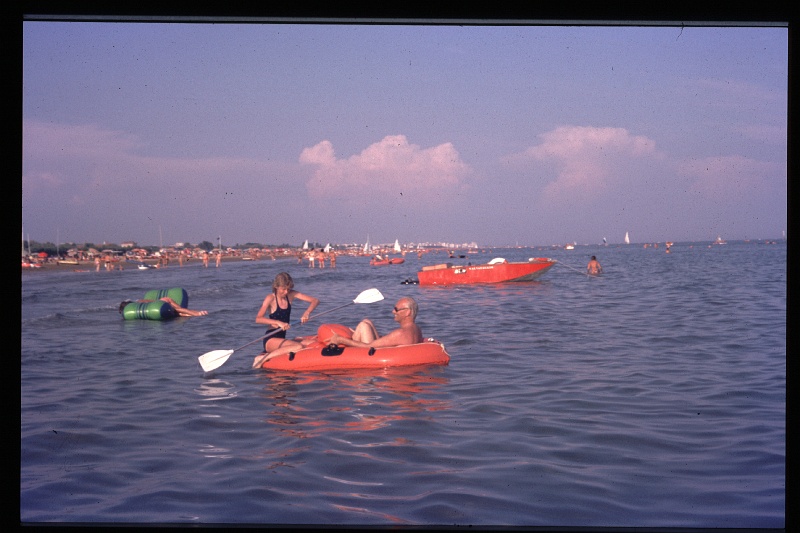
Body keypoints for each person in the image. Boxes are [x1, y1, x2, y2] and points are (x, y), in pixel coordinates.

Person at [252, 272, 319, 367]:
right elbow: (258, 319)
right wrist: (277, 322)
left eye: (288, 289)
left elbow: (315, 300)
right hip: (270, 340)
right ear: (276, 286)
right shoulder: (270, 298)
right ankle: (263, 358)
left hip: (282, 339)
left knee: (313, 343)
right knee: (298, 346)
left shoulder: (291, 295)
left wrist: (307, 313)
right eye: (283, 289)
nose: (286, 292)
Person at [329, 296, 423, 349]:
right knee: (367, 322)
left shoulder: (400, 333)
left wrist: (340, 340)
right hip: (387, 352)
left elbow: (368, 346)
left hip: (370, 353)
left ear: (407, 312)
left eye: (396, 309)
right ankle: (354, 337)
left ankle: (344, 342)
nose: (393, 312)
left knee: (363, 325)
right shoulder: (416, 329)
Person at [118, 297, 208, 317]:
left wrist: (160, 302)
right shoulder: (137, 303)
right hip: (162, 302)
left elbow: (149, 301)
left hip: (163, 302)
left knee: (178, 310)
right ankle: (196, 314)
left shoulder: (138, 303)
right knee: (178, 313)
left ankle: (197, 313)